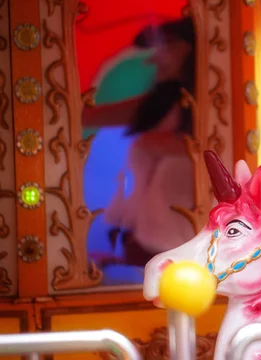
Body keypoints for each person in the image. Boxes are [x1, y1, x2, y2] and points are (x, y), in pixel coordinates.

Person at [82, 17, 196, 267]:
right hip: (144, 236)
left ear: (188, 49)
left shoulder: (210, 110)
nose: (153, 59)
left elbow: (210, 149)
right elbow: (88, 116)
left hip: (185, 240)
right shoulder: (161, 102)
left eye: (165, 48)